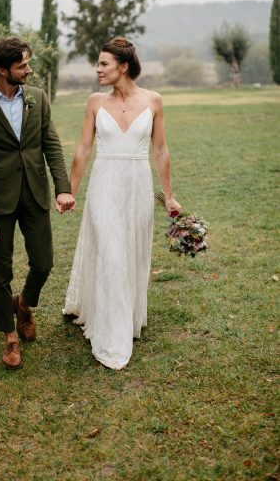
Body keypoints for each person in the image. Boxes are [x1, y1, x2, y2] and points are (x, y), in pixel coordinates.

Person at [63, 37, 181, 370]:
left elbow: (160, 150)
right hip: (104, 185)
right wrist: (70, 190)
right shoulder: (95, 102)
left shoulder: (154, 100)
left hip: (137, 185)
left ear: (123, 66)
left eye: (104, 64)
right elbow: (83, 149)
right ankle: (111, 333)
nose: (97, 69)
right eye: (98, 64)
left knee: (129, 249)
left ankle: (123, 316)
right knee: (111, 251)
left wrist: (168, 195)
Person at [0, 36, 74, 370]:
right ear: (2, 70)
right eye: (22, 65)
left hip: (35, 193)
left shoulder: (38, 98)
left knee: (43, 263)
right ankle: (10, 336)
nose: (29, 70)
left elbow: (51, 145)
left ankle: (24, 304)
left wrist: (63, 187)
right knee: (1, 271)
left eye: (28, 63)